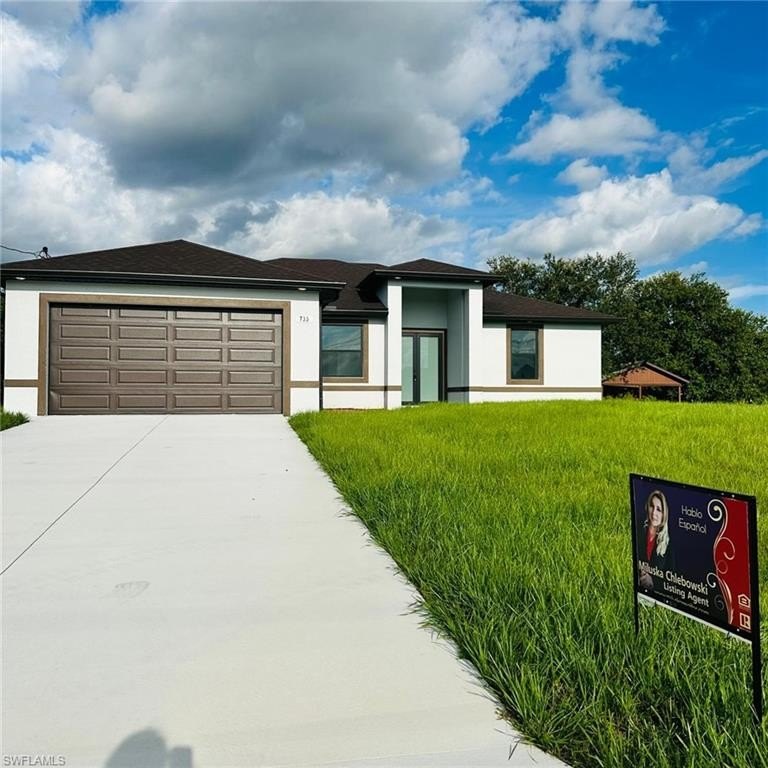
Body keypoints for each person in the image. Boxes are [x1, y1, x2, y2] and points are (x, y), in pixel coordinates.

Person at [638, 490, 674, 590]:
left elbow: (671, 579)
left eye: (658, 509)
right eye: (652, 506)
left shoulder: (668, 543)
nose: (654, 513)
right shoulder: (639, 529)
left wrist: (653, 582)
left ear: (663, 514)